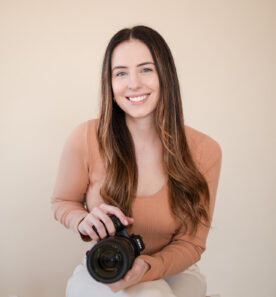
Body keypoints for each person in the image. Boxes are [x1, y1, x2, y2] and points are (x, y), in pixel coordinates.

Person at [51, 25, 222, 297]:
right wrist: (81, 220)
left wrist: (147, 266)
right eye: (120, 73)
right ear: (110, 83)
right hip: (109, 262)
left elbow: (191, 243)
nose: (133, 84)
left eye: (146, 69)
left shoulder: (205, 151)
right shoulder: (85, 137)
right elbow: (63, 202)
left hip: (176, 270)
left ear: (165, 74)